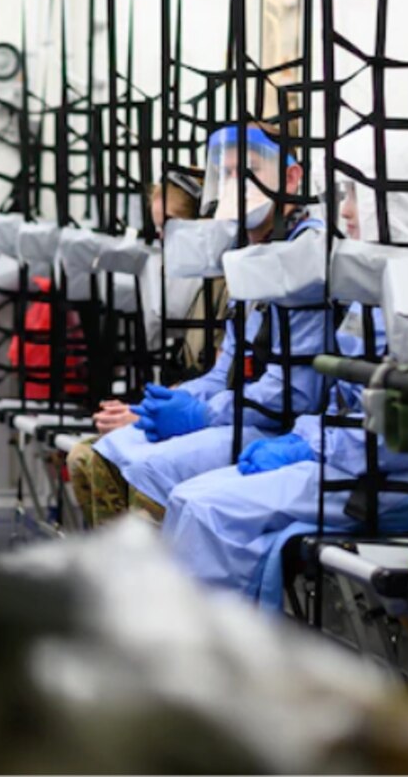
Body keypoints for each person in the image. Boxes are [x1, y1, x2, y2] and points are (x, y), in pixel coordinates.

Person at [160, 174, 408, 610]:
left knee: (207, 512)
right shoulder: (382, 287)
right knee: (187, 499)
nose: (344, 211)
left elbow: (395, 442)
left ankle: (219, 660)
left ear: (403, 208)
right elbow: (345, 400)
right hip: (355, 459)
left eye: (356, 196)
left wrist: (306, 445)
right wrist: (303, 439)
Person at [76, 124, 333, 525]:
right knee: (91, 460)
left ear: (292, 178)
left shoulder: (304, 256)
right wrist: (163, 406)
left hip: (277, 431)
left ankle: (157, 587)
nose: (235, 185)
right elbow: (223, 371)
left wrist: (200, 413)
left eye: (248, 171)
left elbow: (289, 395)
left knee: (148, 473)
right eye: (227, 174)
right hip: (241, 416)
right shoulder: (250, 255)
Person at [67, 172, 205, 526]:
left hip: (216, 419)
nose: (161, 239)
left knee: (138, 471)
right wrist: (144, 411)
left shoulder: (222, 284)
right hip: (193, 406)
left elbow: (222, 388)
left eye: (170, 227)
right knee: (84, 456)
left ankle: (141, 576)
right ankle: (114, 573)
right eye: (159, 229)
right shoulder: (177, 278)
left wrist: (146, 416)